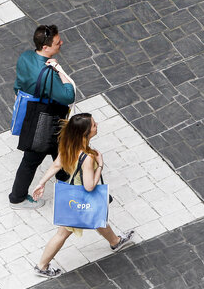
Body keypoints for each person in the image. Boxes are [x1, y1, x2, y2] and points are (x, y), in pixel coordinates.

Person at [30, 113, 135, 277]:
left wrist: (41, 183)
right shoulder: (88, 157)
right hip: (79, 199)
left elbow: (57, 164)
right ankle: (41, 266)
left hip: (74, 195)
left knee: (97, 215)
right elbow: (89, 186)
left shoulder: (68, 144)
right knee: (63, 232)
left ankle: (115, 241)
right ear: (85, 133)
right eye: (93, 125)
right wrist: (100, 165)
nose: (96, 125)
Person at [9, 24, 75, 209]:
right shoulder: (47, 72)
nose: (61, 43)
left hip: (34, 113)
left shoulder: (26, 57)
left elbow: (18, 83)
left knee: (61, 147)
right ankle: (17, 198)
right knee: (31, 160)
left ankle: (63, 176)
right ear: (45, 47)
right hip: (45, 120)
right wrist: (61, 72)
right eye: (57, 42)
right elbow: (68, 95)